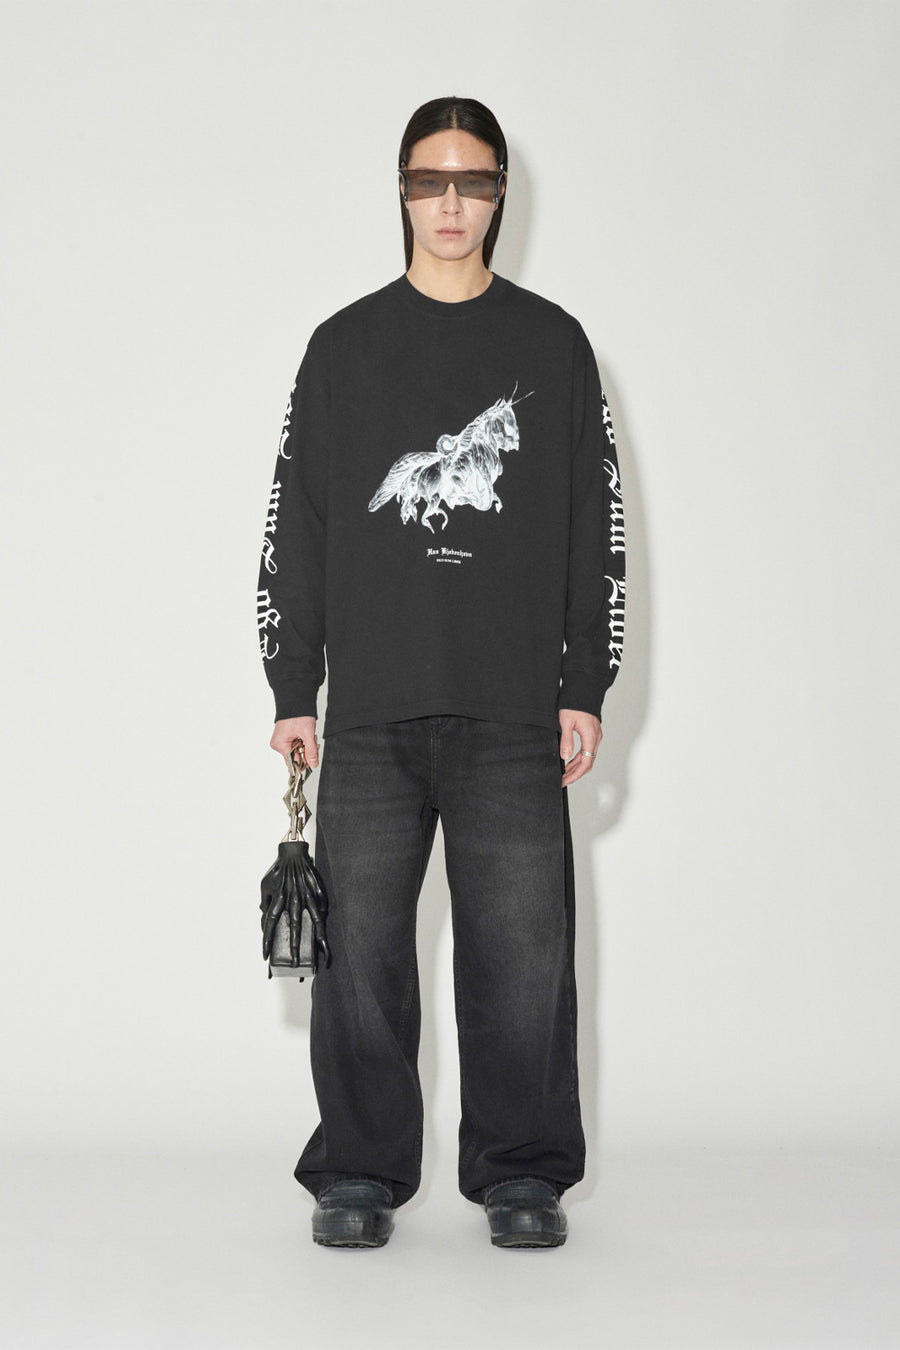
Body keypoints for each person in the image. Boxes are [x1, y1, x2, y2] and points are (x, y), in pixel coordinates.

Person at [256, 95, 625, 1250]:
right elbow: (297, 525)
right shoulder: (343, 348)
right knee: (360, 958)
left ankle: (521, 1174)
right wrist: (292, 689)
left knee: (522, 954)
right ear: (404, 192)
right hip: (370, 712)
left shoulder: (554, 347)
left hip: (513, 706)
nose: (451, 203)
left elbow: (596, 524)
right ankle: (359, 1172)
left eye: (472, 180)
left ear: (501, 192)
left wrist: (585, 681)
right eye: (430, 180)